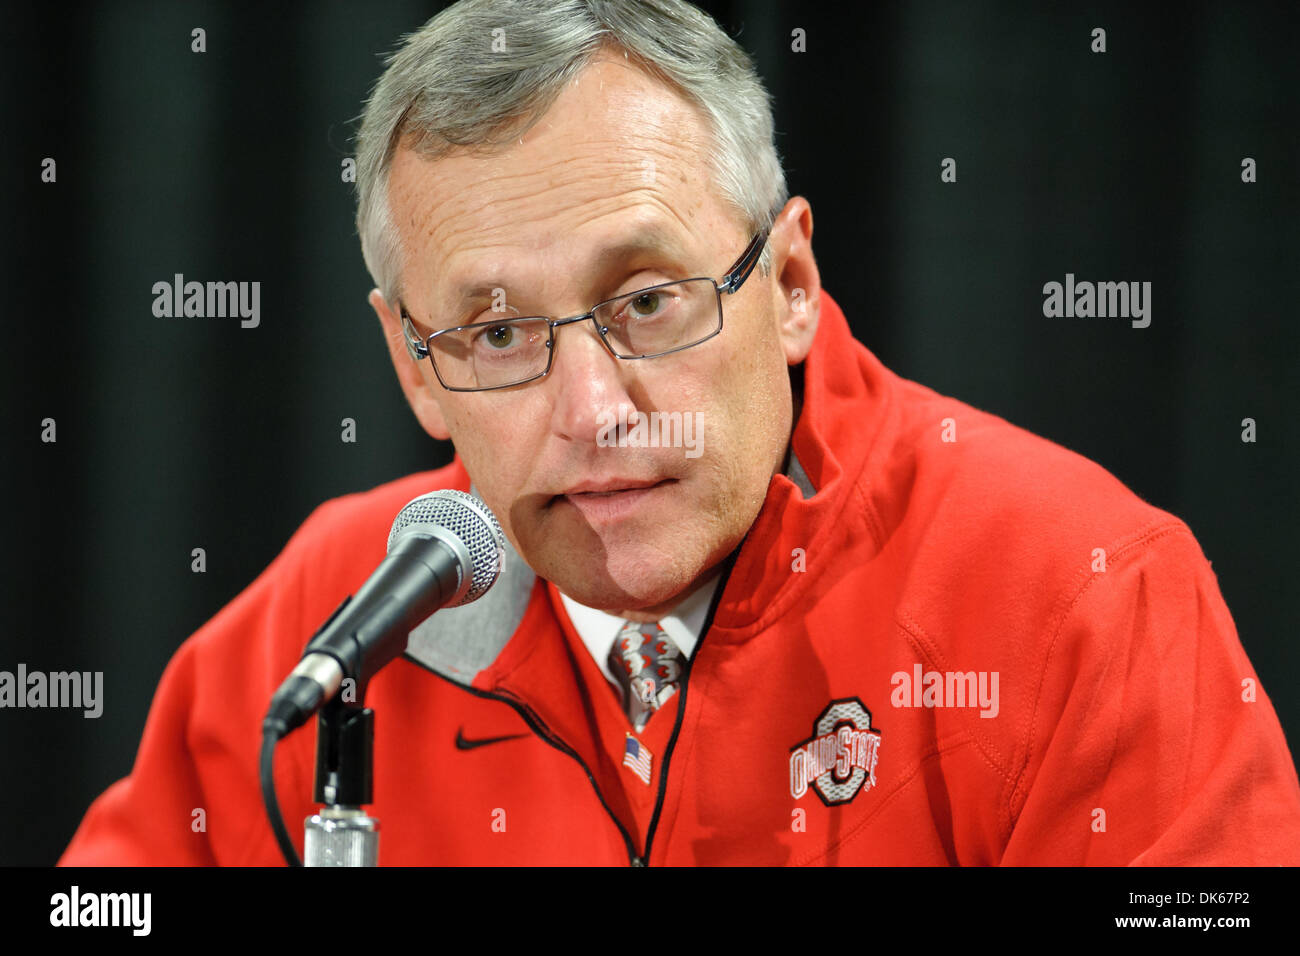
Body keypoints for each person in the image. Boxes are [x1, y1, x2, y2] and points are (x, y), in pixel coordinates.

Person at [60, 0, 1300, 866]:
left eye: (647, 301)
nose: (593, 410)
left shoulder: (1083, 593)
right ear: (411, 367)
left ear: (794, 282)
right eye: (495, 335)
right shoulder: (334, 622)